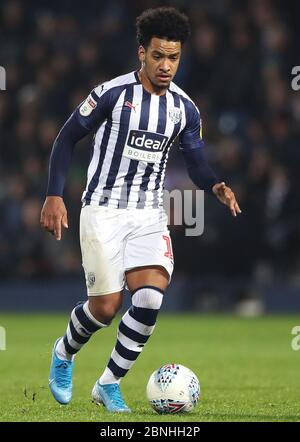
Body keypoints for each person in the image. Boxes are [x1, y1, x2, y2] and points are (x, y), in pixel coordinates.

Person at [40, 6, 241, 413]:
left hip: (149, 213)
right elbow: (65, 139)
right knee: (106, 308)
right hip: (103, 210)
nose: (166, 65)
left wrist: (215, 184)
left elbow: (197, 160)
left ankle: (108, 383)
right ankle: (64, 352)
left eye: (174, 57)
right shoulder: (112, 94)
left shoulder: (186, 109)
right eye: (158, 56)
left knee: (149, 299)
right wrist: (54, 194)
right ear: (141, 54)